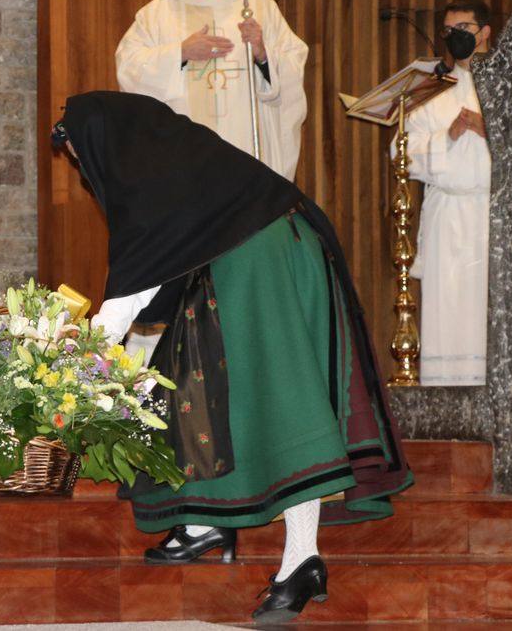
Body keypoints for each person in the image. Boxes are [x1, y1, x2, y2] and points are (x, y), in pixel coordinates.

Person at [53, 91, 411, 624]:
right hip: (254, 259)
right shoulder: (172, 155)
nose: (85, 170)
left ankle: (302, 559)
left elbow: (135, 289)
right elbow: (157, 278)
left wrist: (78, 355)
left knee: (281, 402)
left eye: (82, 156)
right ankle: (206, 520)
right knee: (184, 379)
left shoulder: (149, 175)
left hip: (262, 264)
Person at [115, 0, 308, 181]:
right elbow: (128, 69)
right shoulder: (156, 14)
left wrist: (263, 53)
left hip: (247, 154)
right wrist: (179, 53)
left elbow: (293, 66)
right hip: (184, 163)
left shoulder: (256, 5)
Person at [398, 0, 494, 386]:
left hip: (490, 216)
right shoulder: (430, 90)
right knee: (446, 309)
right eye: (449, 30)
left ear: (485, 33)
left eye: (463, 30)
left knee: (485, 314)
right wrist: (447, 135)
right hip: (446, 218)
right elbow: (402, 153)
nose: (455, 37)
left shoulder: (510, 87)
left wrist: (490, 131)